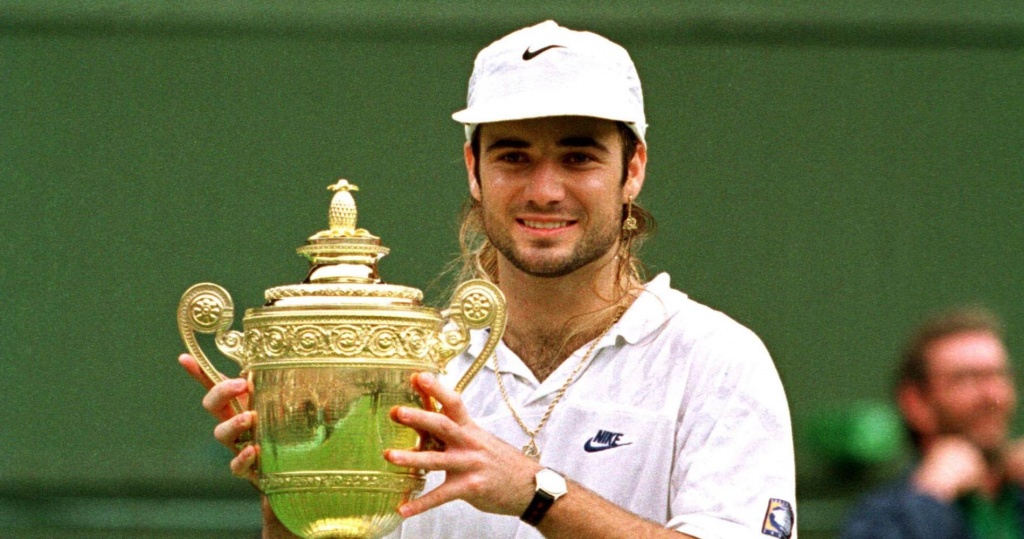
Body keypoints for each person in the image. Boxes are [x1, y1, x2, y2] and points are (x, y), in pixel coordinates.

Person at [181, 20, 796, 538]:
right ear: (474, 169)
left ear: (632, 169)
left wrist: (537, 495)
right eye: (514, 156)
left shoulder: (717, 361)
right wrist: (290, 491)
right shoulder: (403, 362)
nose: (545, 190)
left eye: (578, 157)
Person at [841, 307, 1022, 539]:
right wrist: (929, 498)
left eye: (999, 375)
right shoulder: (881, 516)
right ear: (916, 403)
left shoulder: (1016, 496)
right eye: (967, 378)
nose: (993, 395)